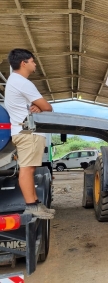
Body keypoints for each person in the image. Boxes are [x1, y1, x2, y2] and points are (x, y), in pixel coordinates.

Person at [4, 49, 55, 219]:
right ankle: (31, 206)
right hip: (28, 133)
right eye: (32, 61)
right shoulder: (23, 82)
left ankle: (35, 203)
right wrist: (41, 107)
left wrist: (37, 107)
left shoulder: (14, 81)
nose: (35, 64)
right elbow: (48, 107)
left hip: (22, 131)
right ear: (23, 63)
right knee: (27, 170)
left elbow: (36, 107)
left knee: (30, 169)